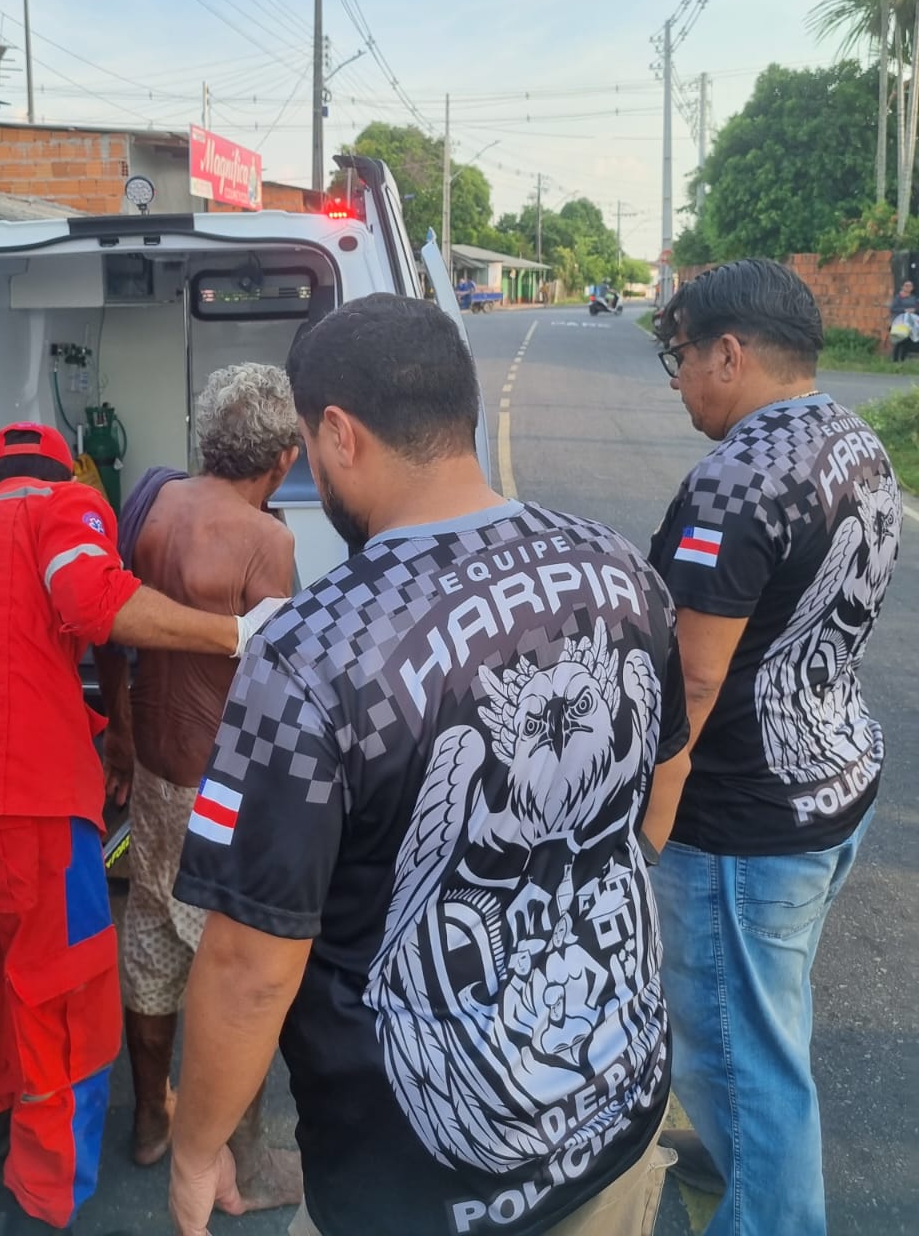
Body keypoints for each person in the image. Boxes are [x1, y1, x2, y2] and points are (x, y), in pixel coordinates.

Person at [167, 294, 688, 1236]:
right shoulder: (622, 570)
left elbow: (249, 964)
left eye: (311, 447)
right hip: (616, 1121)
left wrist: (198, 1148)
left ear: (338, 434)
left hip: (416, 1190)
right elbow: (666, 774)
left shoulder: (310, 653)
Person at [0, 423, 281, 1236]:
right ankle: (44, 1205)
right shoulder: (61, 505)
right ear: (60, 475)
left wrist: (100, 721)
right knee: (63, 1005)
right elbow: (94, 601)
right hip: (16, 804)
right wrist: (234, 632)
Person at [647, 259, 900, 1236]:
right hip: (834, 779)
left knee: (753, 1077)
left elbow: (694, 680)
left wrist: (649, 829)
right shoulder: (854, 438)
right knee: (759, 1028)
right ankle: (725, 1173)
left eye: (681, 356)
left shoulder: (738, 475)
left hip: (743, 827)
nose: (677, 380)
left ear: (730, 351)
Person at [99, 364, 300, 1206]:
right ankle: (237, 1168)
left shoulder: (150, 504)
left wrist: (117, 729)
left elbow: (109, 628)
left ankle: (151, 1122)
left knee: (149, 937)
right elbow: (278, 692)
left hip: (151, 763)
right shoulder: (269, 544)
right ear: (285, 459)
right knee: (230, 966)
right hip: (220, 786)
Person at [887, 277, 918, 362]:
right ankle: (895, 360)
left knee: (907, 341)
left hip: (909, 322)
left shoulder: (913, 298)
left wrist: (914, 310)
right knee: (899, 340)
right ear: (902, 287)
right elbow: (893, 309)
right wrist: (904, 310)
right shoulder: (898, 297)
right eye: (906, 285)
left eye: (910, 286)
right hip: (899, 322)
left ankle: (903, 359)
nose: (908, 287)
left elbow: (916, 307)